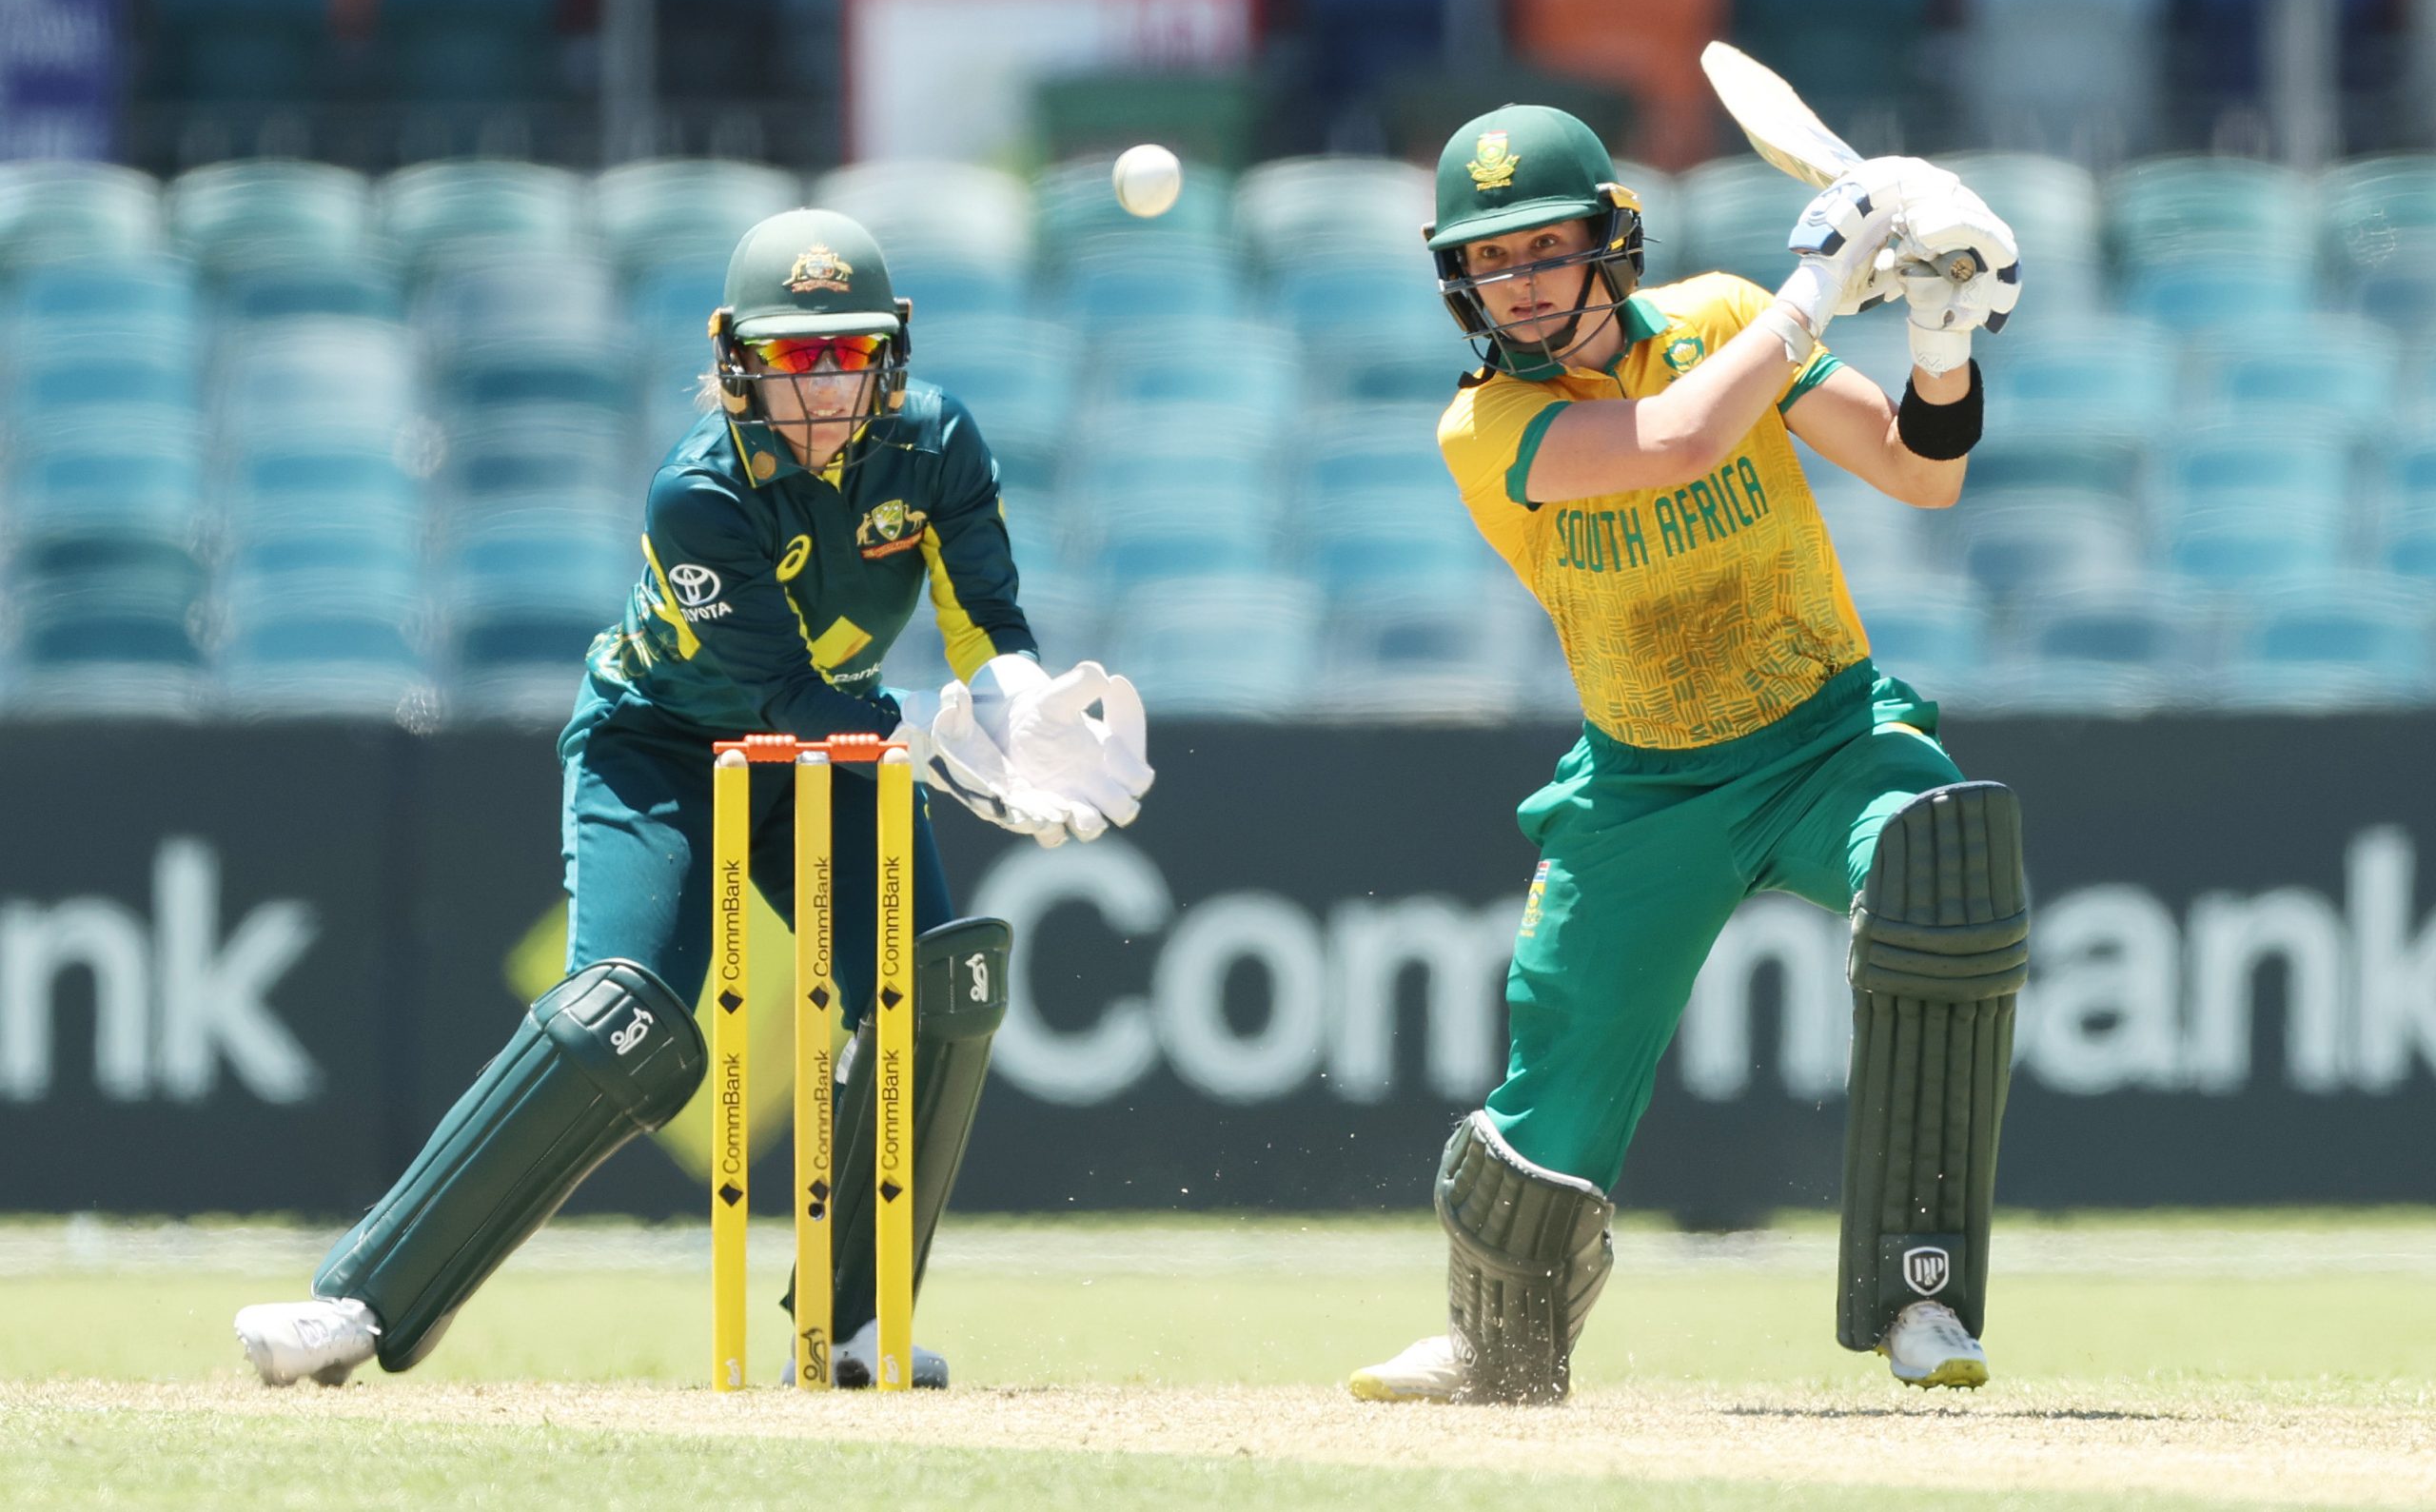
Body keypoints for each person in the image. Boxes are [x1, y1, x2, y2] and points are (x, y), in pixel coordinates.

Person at [234, 206, 1153, 1388]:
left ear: (890, 353)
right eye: (790, 357)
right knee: (623, 1015)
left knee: (939, 984)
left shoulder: (934, 444)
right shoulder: (698, 491)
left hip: (845, 745)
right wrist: (935, 737)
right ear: (735, 357)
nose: (821, 390)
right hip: (661, 747)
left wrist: (1017, 699)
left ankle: (851, 1325)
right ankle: (362, 1297)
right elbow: (782, 689)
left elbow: (985, 612)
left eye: (846, 355)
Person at [1348, 107, 2029, 1404]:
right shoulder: (1483, 430)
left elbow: (1918, 471)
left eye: (1548, 249)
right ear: (1458, 284)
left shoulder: (1721, 317)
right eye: (1493, 262)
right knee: (1551, 1077)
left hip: (1827, 738)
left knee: (1945, 869)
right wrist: (1820, 288)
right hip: (1644, 786)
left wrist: (1940, 348)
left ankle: (1918, 1293)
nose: (1523, 285)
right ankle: (1496, 1344)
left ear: (1615, 244)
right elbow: (1680, 440)